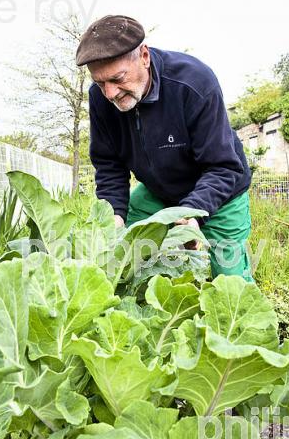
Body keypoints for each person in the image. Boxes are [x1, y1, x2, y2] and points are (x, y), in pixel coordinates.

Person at [76, 15, 253, 280]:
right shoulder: (100, 100)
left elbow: (223, 166)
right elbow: (109, 165)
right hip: (159, 191)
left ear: (144, 56)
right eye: (101, 83)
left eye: (118, 78)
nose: (110, 93)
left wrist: (191, 214)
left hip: (221, 191)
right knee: (120, 255)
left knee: (231, 284)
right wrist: (114, 214)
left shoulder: (194, 83)